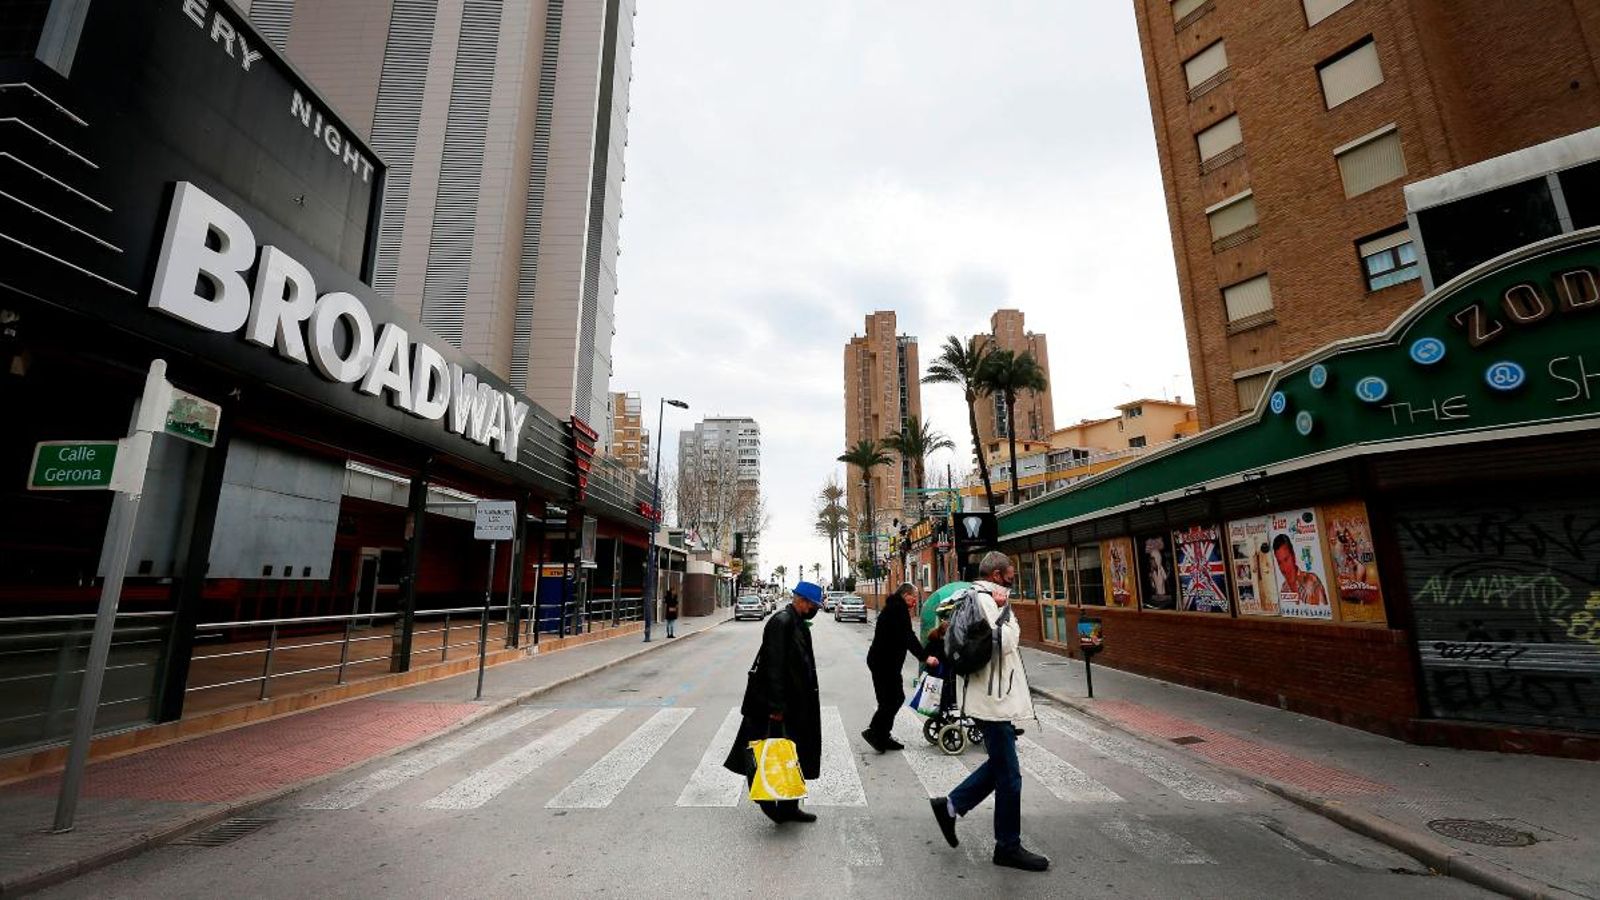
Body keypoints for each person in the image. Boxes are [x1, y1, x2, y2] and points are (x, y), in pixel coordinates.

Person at [929, 551, 1049, 872]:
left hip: (992, 698)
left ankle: (951, 806)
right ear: (997, 575)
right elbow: (1003, 640)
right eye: (1010, 571)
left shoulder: (988, 598)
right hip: (991, 700)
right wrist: (1007, 615)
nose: (1014, 575)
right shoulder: (986, 600)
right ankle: (1007, 846)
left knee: (1000, 768)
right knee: (1010, 777)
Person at [722, 581, 824, 824]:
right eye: (813, 604)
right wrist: (776, 706)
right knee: (768, 753)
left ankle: (790, 806)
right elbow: (773, 667)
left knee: (792, 754)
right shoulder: (781, 622)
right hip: (778, 706)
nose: (815, 609)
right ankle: (767, 801)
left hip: (796, 703)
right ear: (802, 601)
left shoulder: (797, 622)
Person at [863, 582, 937, 752]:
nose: (915, 602)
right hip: (884, 663)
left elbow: (904, 636)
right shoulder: (898, 610)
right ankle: (875, 732)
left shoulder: (895, 608)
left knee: (890, 699)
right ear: (905, 595)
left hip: (885, 662)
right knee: (892, 699)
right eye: (914, 598)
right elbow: (908, 637)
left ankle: (881, 735)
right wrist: (925, 657)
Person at [1272, 533, 1328, 608]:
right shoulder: (1283, 589)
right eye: (1279, 563)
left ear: (1293, 557)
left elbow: (1325, 611)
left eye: (1286, 559)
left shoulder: (1312, 581)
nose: (1284, 568)